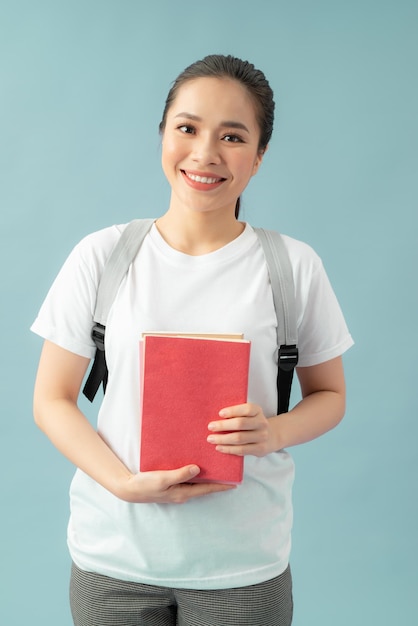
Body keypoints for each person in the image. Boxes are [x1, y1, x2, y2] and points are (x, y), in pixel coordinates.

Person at [31, 54, 354, 626]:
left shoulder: (292, 266)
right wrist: (123, 485)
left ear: (259, 157)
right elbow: (51, 400)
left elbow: (330, 396)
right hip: (115, 556)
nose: (205, 152)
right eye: (188, 128)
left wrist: (274, 430)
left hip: (243, 566)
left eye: (232, 136)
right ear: (163, 135)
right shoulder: (103, 255)